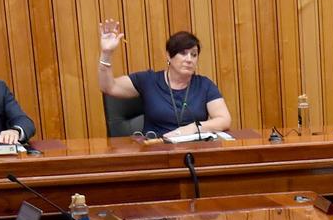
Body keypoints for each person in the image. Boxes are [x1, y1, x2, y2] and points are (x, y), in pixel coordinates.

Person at [97, 20, 232, 137]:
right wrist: (106, 53)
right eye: (183, 53)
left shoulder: (204, 85)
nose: (189, 59)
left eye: (194, 54)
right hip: (156, 152)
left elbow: (224, 119)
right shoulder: (148, 81)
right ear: (169, 56)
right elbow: (108, 87)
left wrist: (193, 128)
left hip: (194, 150)